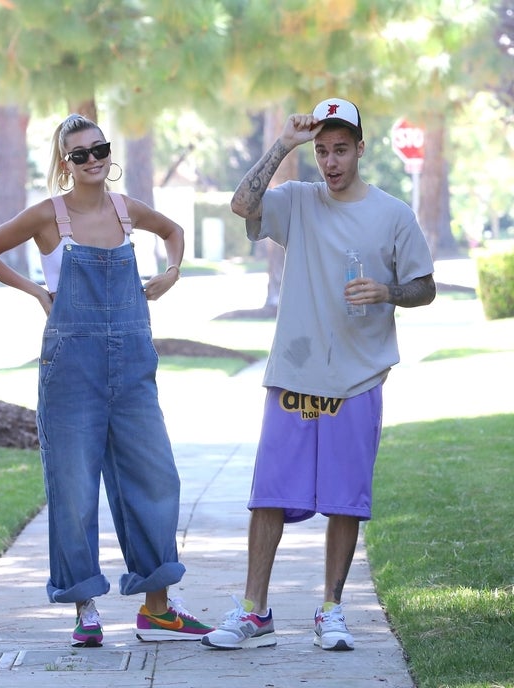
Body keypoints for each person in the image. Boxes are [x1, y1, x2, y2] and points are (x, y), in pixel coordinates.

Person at [0, 113, 213, 647]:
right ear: (65, 164)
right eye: (79, 154)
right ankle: (85, 608)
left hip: (132, 370)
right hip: (71, 371)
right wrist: (37, 292)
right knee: (74, 487)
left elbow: (173, 232)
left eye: (98, 148)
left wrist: (171, 273)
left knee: (155, 478)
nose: (93, 159)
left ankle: (157, 609)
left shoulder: (127, 211)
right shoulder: (46, 217)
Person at [202, 98, 435, 651]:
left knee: (344, 499)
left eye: (340, 150)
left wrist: (387, 291)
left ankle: (331, 610)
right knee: (269, 495)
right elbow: (241, 205)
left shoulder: (393, 213)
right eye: (322, 151)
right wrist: (283, 144)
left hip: (357, 378)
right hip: (294, 374)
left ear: (360, 148)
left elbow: (423, 286)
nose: (330, 162)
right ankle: (254, 611)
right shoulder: (298, 201)